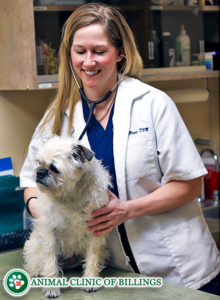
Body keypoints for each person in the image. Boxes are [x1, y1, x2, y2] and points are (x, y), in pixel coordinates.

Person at [20, 2, 220, 295]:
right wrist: (48, 215)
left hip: (179, 271)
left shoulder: (152, 104)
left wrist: (126, 210)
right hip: (117, 272)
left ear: (120, 52)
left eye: (99, 51)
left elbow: (189, 185)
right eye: (80, 51)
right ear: (69, 54)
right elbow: (29, 183)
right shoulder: (58, 116)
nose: (88, 62)